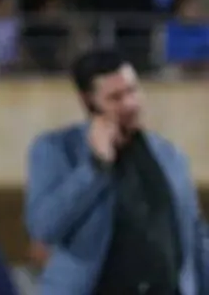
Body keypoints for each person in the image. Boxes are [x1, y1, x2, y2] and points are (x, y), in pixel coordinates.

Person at [25, 48, 209, 295]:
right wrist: (96, 166)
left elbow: (194, 235)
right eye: (115, 97)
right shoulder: (57, 149)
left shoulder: (169, 155)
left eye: (132, 91)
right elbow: (43, 227)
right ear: (88, 101)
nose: (130, 104)